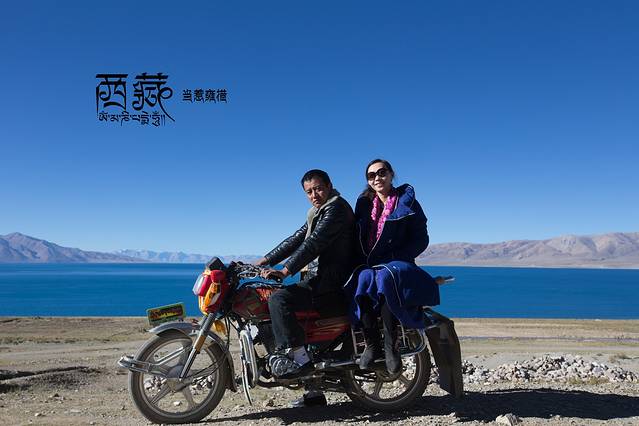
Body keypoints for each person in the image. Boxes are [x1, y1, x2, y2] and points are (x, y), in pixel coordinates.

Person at [256, 169, 355, 381]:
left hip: (331, 281)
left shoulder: (336, 209)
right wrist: (263, 261)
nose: (314, 195)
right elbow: (296, 239)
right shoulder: (317, 213)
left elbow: (314, 243)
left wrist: (285, 271)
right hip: (319, 278)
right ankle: (312, 391)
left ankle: (299, 359)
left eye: (318, 189)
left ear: (329, 186)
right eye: (309, 192)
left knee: (278, 299)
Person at [344, 159, 440, 374]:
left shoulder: (407, 202)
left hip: (398, 262)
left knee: (386, 278)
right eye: (371, 175)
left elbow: (421, 238)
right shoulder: (364, 204)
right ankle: (371, 344)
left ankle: (391, 345)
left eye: (381, 172)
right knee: (362, 279)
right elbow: (356, 236)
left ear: (391, 174)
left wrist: (398, 256)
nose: (377, 178)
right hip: (370, 262)